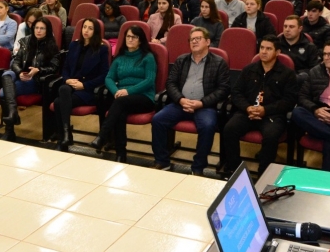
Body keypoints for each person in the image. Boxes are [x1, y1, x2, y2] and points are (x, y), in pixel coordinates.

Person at [150, 27, 230, 175]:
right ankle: (162, 161)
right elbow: (171, 83)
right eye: (192, 39)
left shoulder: (219, 63)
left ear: (208, 42)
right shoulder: (182, 60)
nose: (194, 42)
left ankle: (198, 167)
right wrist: (180, 100)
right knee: (158, 120)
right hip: (180, 103)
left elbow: (223, 89)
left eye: (198, 38)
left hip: (204, 106)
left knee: (208, 125)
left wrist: (202, 103)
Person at [222, 35, 298, 176]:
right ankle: (235, 169)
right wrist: (247, 107)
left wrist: (266, 110)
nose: (263, 51)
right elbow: (236, 92)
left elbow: (289, 100)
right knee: (229, 129)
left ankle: (263, 173)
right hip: (248, 112)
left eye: (268, 49)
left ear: (278, 52)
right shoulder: (249, 69)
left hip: (272, 115)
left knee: (270, 136)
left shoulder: (287, 74)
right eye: (262, 48)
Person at [91, 25, 157, 162]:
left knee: (119, 103)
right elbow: (109, 78)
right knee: (120, 111)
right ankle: (121, 153)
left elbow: (149, 81)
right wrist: (116, 92)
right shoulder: (120, 57)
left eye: (134, 37)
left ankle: (102, 136)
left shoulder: (148, 57)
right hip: (122, 97)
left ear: (140, 40)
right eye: (128, 36)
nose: (130, 39)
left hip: (144, 97)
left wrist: (128, 91)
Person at [0, 17, 60, 141]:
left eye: (42, 28)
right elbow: (15, 62)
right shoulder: (26, 41)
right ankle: (13, 115)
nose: (38, 31)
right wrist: (19, 72)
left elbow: (54, 67)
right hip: (21, 75)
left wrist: (39, 70)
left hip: (35, 80)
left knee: (2, 93)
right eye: (36, 28)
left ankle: (9, 129)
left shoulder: (52, 46)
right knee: (6, 74)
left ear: (47, 30)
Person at [53, 18, 109, 151]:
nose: (86, 30)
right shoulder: (74, 45)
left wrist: (85, 85)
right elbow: (65, 67)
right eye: (84, 27)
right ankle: (66, 134)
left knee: (57, 102)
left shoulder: (102, 49)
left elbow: (104, 75)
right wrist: (67, 79)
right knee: (63, 88)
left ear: (95, 31)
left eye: (90, 28)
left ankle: (65, 137)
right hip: (71, 85)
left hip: (88, 89)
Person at [291, 40, 330, 172]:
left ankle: (326, 184)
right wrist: (315, 110)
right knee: (298, 112)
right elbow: (302, 96)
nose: (326, 57)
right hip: (319, 115)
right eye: (324, 54)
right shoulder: (315, 71)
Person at [279, 15, 319, 85]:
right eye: (285, 26)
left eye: (291, 27)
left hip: (299, 84)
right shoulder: (275, 44)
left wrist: (296, 76)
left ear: (300, 29)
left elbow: (315, 70)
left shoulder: (310, 47)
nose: (287, 29)